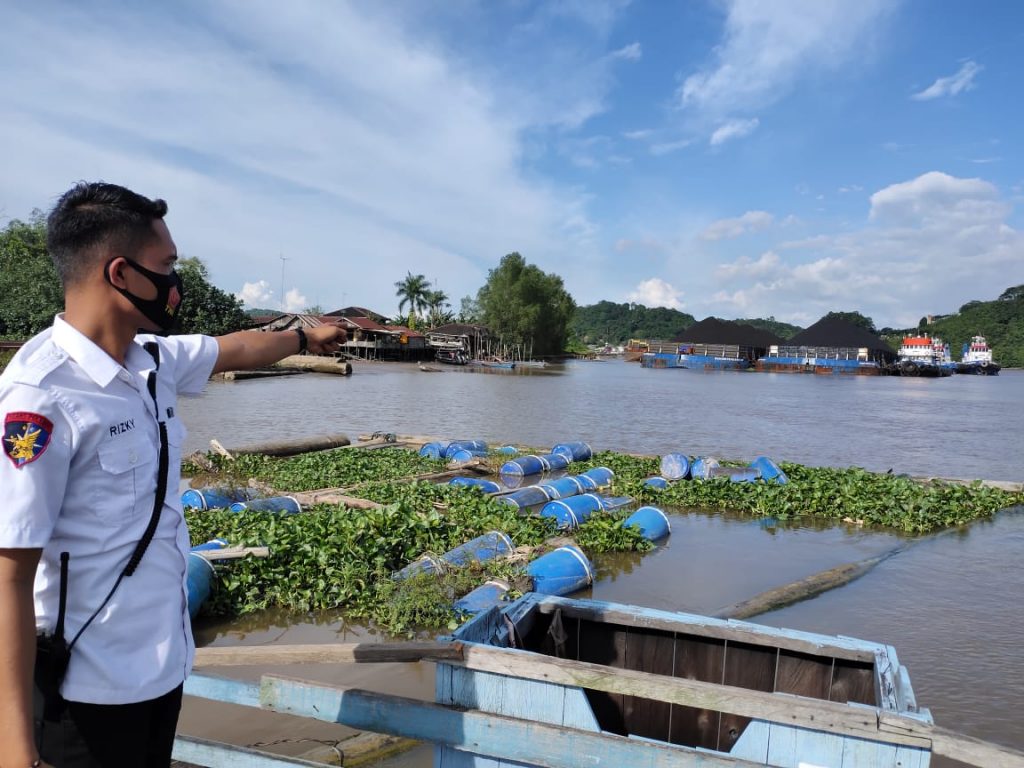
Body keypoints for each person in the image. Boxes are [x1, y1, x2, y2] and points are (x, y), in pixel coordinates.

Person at [0, 182, 347, 767]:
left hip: (161, 670)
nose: (176, 285)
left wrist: (303, 337)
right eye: (166, 266)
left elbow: (235, 348)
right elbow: (8, 576)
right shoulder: (39, 397)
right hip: (83, 694)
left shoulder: (152, 361)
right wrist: (14, 745)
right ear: (121, 273)